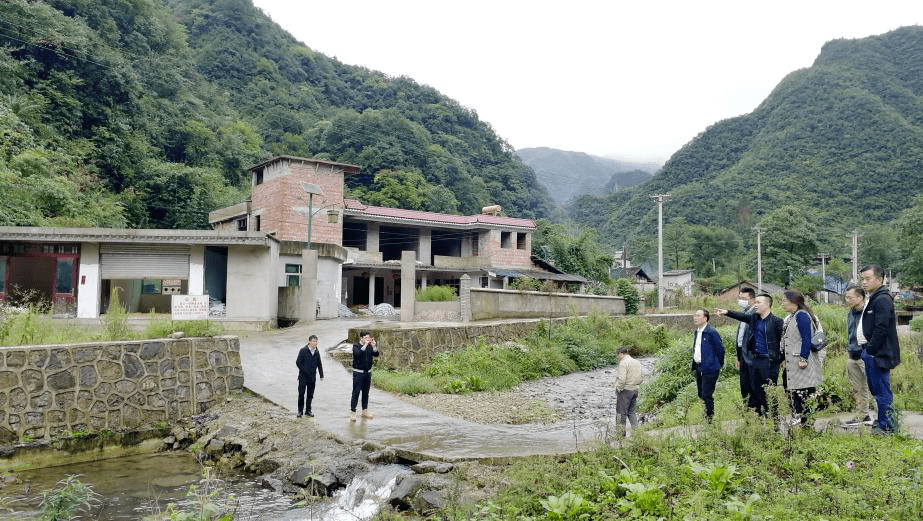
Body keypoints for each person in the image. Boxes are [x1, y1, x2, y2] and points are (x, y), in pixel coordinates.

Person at [715, 293, 783, 416]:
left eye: (758, 303)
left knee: (769, 392)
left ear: (767, 304)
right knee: (755, 391)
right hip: (754, 360)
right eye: (755, 302)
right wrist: (726, 312)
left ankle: (774, 420)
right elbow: (741, 316)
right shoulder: (753, 319)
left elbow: (782, 342)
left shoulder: (777, 321)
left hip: (769, 361)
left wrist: (781, 360)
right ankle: (759, 419)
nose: (755, 305)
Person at [858, 265, 901, 433]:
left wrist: (870, 350)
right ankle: (883, 423)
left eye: (868, 279)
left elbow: (881, 327)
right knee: (877, 389)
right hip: (873, 352)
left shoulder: (882, 298)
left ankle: (886, 426)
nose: (864, 282)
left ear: (880, 279)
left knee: (882, 390)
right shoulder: (874, 297)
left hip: (878, 353)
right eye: (862, 279)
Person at [779, 290, 823, 425]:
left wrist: (803, 358)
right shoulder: (793, 316)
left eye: (784, 300)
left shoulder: (802, 315)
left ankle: (805, 420)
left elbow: (806, 338)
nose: (782, 303)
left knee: (803, 389)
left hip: (800, 361)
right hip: (792, 361)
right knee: (792, 387)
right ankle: (799, 417)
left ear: (793, 302)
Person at [844, 285, 875, 425]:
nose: (847, 300)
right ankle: (863, 416)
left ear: (860, 298)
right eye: (847, 297)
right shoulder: (851, 312)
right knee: (858, 389)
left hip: (866, 354)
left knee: (875, 387)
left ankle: (884, 418)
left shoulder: (869, 312)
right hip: (852, 355)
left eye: (850, 297)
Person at [691, 309, 724, 422]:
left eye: (698, 315)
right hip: (699, 367)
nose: (695, 317)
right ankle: (706, 415)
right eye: (695, 315)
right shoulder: (698, 331)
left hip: (710, 368)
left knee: (706, 394)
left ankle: (709, 420)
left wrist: (717, 364)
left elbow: (720, 349)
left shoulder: (711, 331)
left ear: (705, 318)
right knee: (701, 394)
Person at [732, 288, 757, 406]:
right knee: (744, 385)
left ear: (752, 299)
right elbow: (740, 338)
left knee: (753, 385)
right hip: (742, 354)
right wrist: (738, 356)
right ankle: (749, 412)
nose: (741, 301)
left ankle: (757, 412)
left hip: (752, 355)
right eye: (740, 298)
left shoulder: (755, 314)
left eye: (744, 299)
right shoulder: (745, 313)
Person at [613, 346, 644, 437]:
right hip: (635, 389)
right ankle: (637, 433)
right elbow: (641, 376)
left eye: (618, 355)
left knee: (621, 413)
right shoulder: (636, 362)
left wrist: (619, 388)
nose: (618, 357)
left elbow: (622, 379)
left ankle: (620, 435)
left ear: (621, 354)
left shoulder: (623, 363)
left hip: (625, 390)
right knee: (631, 412)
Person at [350, 330, 380, 421]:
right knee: (356, 392)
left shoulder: (370, 346)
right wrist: (365, 345)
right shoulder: (356, 346)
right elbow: (358, 354)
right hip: (358, 372)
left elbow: (376, 354)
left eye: (369, 338)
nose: (368, 339)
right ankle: (353, 412)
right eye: (366, 338)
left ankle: (365, 410)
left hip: (368, 372)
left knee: (366, 393)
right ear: (362, 338)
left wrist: (374, 346)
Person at [295, 334, 324, 417]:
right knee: (301, 394)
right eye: (314, 341)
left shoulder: (316, 351)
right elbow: (298, 362)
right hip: (303, 377)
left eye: (316, 341)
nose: (315, 343)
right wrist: (305, 370)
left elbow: (319, 363)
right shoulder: (303, 350)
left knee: (310, 395)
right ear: (309, 341)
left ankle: (308, 410)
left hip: (312, 377)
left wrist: (321, 374)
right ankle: (300, 411)